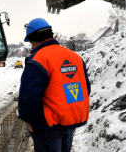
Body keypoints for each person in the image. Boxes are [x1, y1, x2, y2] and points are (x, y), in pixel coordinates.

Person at [18, 18, 91, 152]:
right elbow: (86, 88)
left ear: (34, 39)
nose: (32, 46)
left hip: (47, 126)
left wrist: (27, 119)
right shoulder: (75, 57)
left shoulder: (38, 59)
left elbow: (29, 96)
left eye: (31, 43)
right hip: (70, 123)